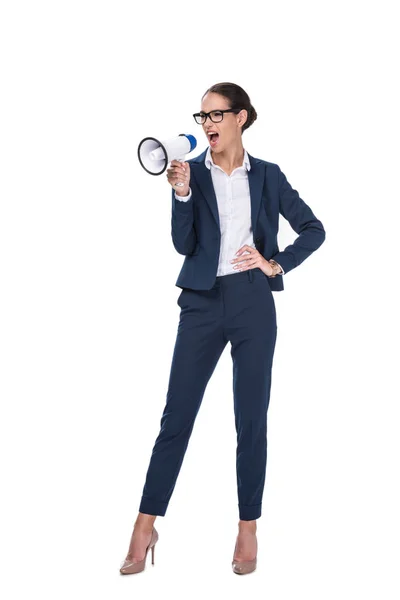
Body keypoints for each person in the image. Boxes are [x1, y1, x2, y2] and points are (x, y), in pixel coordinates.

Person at [120, 82, 326, 575]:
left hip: (253, 301)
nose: (208, 123)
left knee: (250, 418)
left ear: (242, 118)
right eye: (202, 116)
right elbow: (182, 243)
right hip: (202, 303)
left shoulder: (269, 177)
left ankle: (248, 526)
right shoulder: (189, 171)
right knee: (177, 416)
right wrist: (182, 194)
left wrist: (275, 263)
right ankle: (145, 524)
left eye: (216, 114)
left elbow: (314, 229)